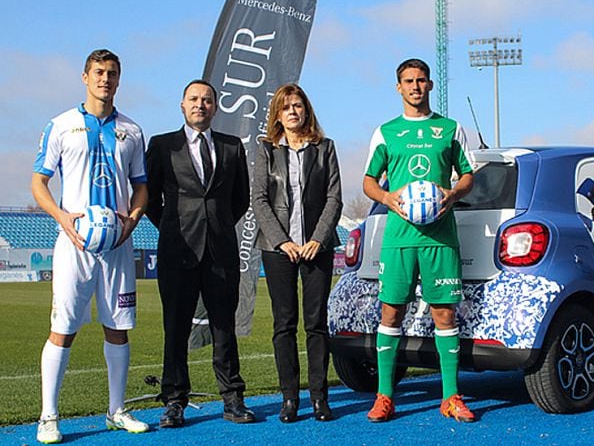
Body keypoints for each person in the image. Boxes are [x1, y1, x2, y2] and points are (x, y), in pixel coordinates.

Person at [31, 49, 150, 443]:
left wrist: (132, 220)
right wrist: (63, 218)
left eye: (112, 73)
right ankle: (48, 415)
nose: (105, 79)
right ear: (85, 77)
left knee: (118, 328)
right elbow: (39, 183)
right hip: (75, 242)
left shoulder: (132, 131)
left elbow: (141, 187)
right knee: (62, 329)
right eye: (99, 72)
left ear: (119, 80)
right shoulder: (61, 125)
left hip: (116, 244)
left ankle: (117, 410)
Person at [362, 59, 475, 423]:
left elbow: (469, 176)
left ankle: (451, 397)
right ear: (398, 87)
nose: (415, 86)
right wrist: (387, 197)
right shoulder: (386, 132)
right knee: (391, 312)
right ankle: (384, 396)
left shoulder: (450, 129)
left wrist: (453, 193)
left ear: (429, 85)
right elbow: (368, 181)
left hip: (440, 238)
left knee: (444, 313)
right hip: (399, 238)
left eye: (421, 80)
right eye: (408, 81)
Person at [145, 79, 254, 427]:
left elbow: (241, 199)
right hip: (177, 251)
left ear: (215, 107)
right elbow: (149, 199)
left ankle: (233, 398)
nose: (200, 105)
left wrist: (216, 226)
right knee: (175, 328)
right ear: (182, 105)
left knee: (224, 327)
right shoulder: (162, 145)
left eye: (207, 100)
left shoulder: (232, 146)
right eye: (193, 99)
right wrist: (174, 229)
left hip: (221, 251)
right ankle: (174, 400)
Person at [252, 84, 342, 423]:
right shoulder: (266, 150)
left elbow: (334, 198)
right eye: (285, 107)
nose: (292, 111)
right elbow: (259, 199)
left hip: (317, 247)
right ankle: (290, 399)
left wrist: (318, 239)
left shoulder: (325, 148)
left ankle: (320, 398)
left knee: (316, 324)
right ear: (277, 114)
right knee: (284, 325)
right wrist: (282, 241)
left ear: (307, 110)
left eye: (298, 105)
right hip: (278, 250)